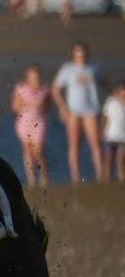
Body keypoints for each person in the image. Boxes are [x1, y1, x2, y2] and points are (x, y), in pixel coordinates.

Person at [51, 41, 104, 183]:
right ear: (74, 54)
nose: (81, 55)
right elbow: (55, 89)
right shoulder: (68, 69)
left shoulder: (93, 68)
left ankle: (101, 175)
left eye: (83, 52)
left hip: (91, 110)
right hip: (73, 111)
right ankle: (76, 177)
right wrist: (62, 107)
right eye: (78, 52)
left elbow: (104, 83)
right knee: (74, 144)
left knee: (96, 143)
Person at [11, 64, 52, 188]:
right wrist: (27, 106)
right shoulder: (21, 89)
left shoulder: (45, 89)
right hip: (24, 122)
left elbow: (49, 106)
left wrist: (40, 107)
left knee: (38, 150)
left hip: (39, 122)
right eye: (32, 77)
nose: (35, 79)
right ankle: (31, 179)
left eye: (37, 76)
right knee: (28, 151)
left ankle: (44, 177)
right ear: (27, 77)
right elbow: (15, 107)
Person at [104, 79, 125, 182]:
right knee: (108, 160)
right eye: (122, 90)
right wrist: (103, 131)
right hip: (111, 136)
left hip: (123, 137)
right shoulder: (111, 102)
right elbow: (105, 117)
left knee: (121, 160)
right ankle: (106, 181)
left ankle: (121, 182)